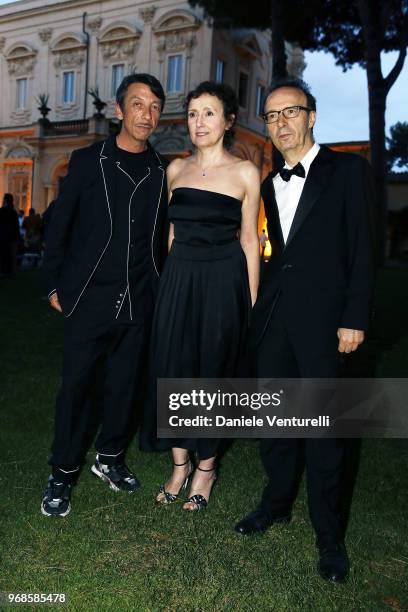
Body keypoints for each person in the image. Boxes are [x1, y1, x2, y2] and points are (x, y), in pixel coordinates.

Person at [234, 78, 375, 582]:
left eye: (289, 112)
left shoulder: (348, 172)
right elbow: (275, 257)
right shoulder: (270, 183)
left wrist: (354, 316)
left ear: (312, 116)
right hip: (274, 321)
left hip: (326, 324)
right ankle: (275, 503)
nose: (280, 124)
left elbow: (363, 249)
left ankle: (329, 535)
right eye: (271, 116)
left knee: (323, 432)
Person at [40, 73, 169, 517]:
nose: (146, 114)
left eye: (154, 106)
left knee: (123, 388)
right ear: (119, 110)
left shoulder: (160, 169)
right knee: (76, 389)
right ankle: (62, 473)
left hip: (139, 298)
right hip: (89, 298)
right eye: (137, 104)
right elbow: (60, 227)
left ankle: (110, 458)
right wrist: (54, 285)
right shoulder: (85, 160)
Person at [141, 81, 260, 511]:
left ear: (228, 121)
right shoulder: (174, 170)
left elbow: (249, 241)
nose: (199, 122)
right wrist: (171, 284)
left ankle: (206, 469)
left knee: (211, 372)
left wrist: (249, 304)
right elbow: (170, 235)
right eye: (193, 114)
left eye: (209, 113)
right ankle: (178, 465)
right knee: (173, 368)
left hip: (223, 283)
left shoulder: (245, 172)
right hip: (179, 280)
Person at [0, 193, 19, 277]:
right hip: (12, 236)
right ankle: (12, 272)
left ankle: (4, 271)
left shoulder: (2, 211)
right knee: (11, 255)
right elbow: (16, 225)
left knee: (3, 254)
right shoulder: (13, 212)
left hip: (3, 236)